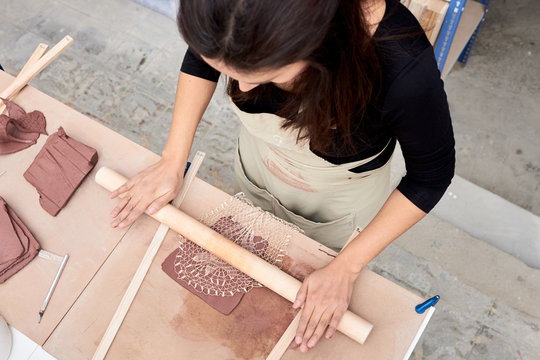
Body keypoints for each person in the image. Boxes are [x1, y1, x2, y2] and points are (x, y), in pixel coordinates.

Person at [109, 0, 455, 352]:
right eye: (230, 71)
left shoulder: (402, 71)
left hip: (336, 207)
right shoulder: (234, 16)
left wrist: (346, 268)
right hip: (258, 167)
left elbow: (431, 177)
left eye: (263, 75)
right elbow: (204, 56)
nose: (241, 89)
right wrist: (172, 159)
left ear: (312, 44)